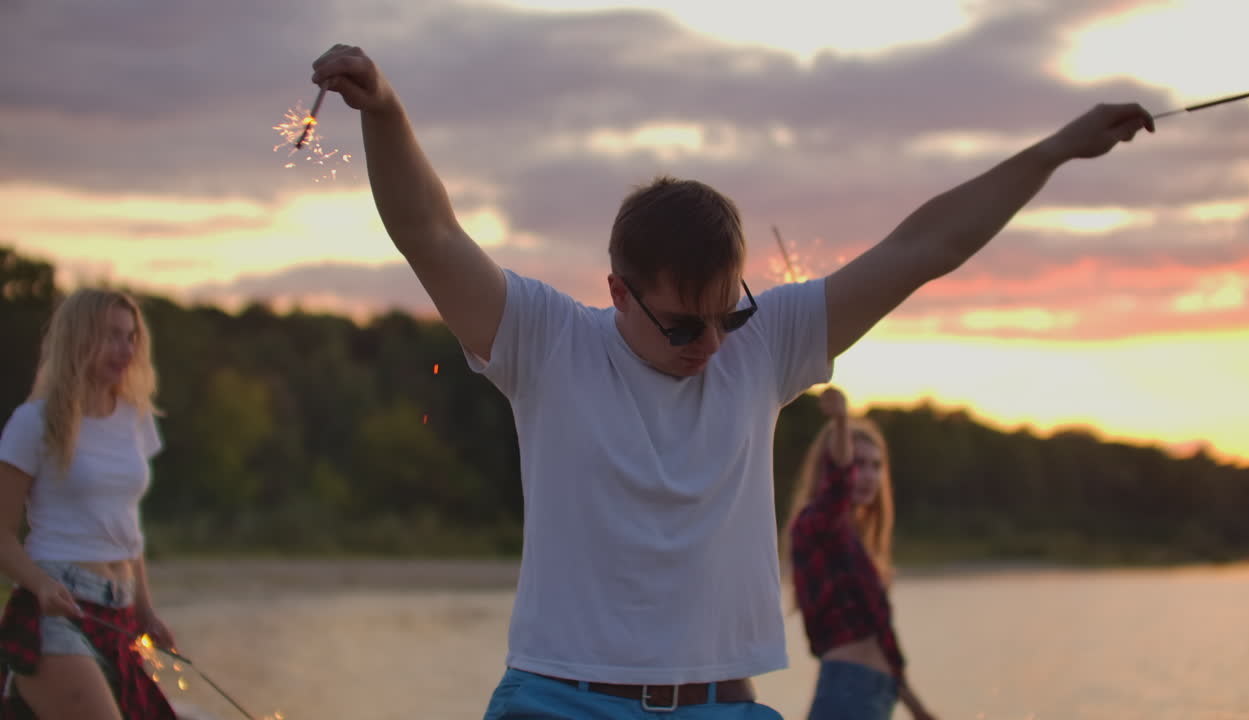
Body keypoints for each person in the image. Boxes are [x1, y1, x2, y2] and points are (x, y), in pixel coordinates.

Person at [309, 43, 1154, 718]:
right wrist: (384, 110)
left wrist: (1057, 150)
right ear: (617, 292)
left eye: (729, 315)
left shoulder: (770, 346)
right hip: (557, 700)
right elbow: (428, 230)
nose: (711, 344)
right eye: (683, 324)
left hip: (725, 707)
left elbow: (920, 249)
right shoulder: (545, 341)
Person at [0, 289, 177, 720]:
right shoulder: (33, 423)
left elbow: (125, 528)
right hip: (56, 608)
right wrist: (40, 586)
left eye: (131, 336)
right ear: (79, 339)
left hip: (118, 613)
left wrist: (145, 609)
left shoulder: (137, 421)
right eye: (112, 336)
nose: (126, 349)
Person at [785, 386, 933, 720]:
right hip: (847, 691)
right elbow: (839, 483)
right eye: (858, 463)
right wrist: (840, 421)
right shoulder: (814, 525)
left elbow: (883, 642)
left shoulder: (855, 544)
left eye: (875, 465)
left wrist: (919, 710)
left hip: (875, 694)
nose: (867, 475)